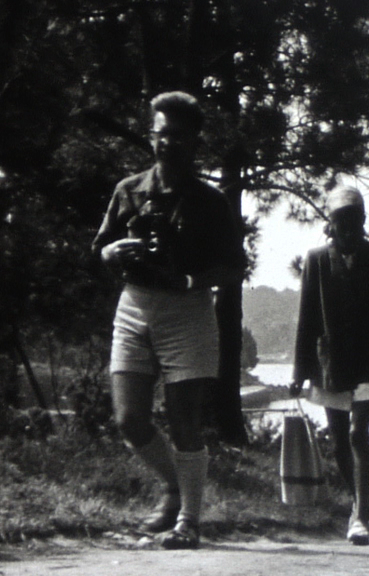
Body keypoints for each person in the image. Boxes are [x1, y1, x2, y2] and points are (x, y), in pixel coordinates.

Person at [92, 91, 243, 549]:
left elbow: (234, 267)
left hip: (187, 308)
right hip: (136, 303)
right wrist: (112, 251)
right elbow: (100, 249)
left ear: (195, 140)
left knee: (184, 422)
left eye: (178, 136)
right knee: (129, 417)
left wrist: (192, 279)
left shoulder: (211, 202)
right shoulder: (129, 190)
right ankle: (173, 487)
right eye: (160, 134)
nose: (167, 143)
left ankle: (189, 522)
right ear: (151, 135)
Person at [290, 186, 369, 546]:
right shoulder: (317, 259)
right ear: (330, 224)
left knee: (358, 434)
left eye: (354, 220)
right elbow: (307, 318)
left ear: (364, 221)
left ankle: (361, 514)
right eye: (341, 222)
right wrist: (299, 371)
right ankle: (358, 501)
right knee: (339, 440)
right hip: (332, 363)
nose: (348, 229)